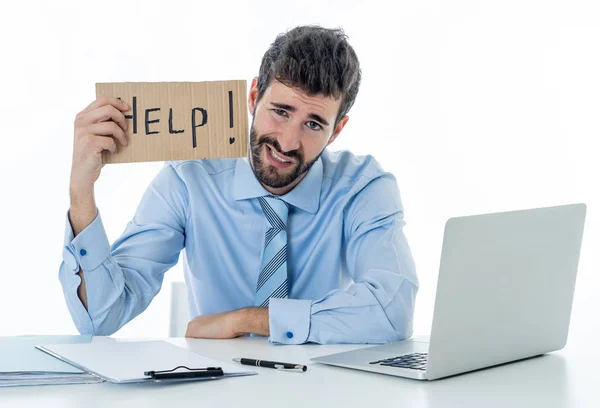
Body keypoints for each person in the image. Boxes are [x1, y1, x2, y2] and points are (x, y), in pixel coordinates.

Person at [60, 25, 418, 345]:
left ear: (336, 130)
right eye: (280, 112)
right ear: (253, 97)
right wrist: (81, 191)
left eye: (313, 124)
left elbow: (392, 309)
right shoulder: (189, 179)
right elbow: (101, 317)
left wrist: (246, 321)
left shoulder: (362, 187)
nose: (288, 142)